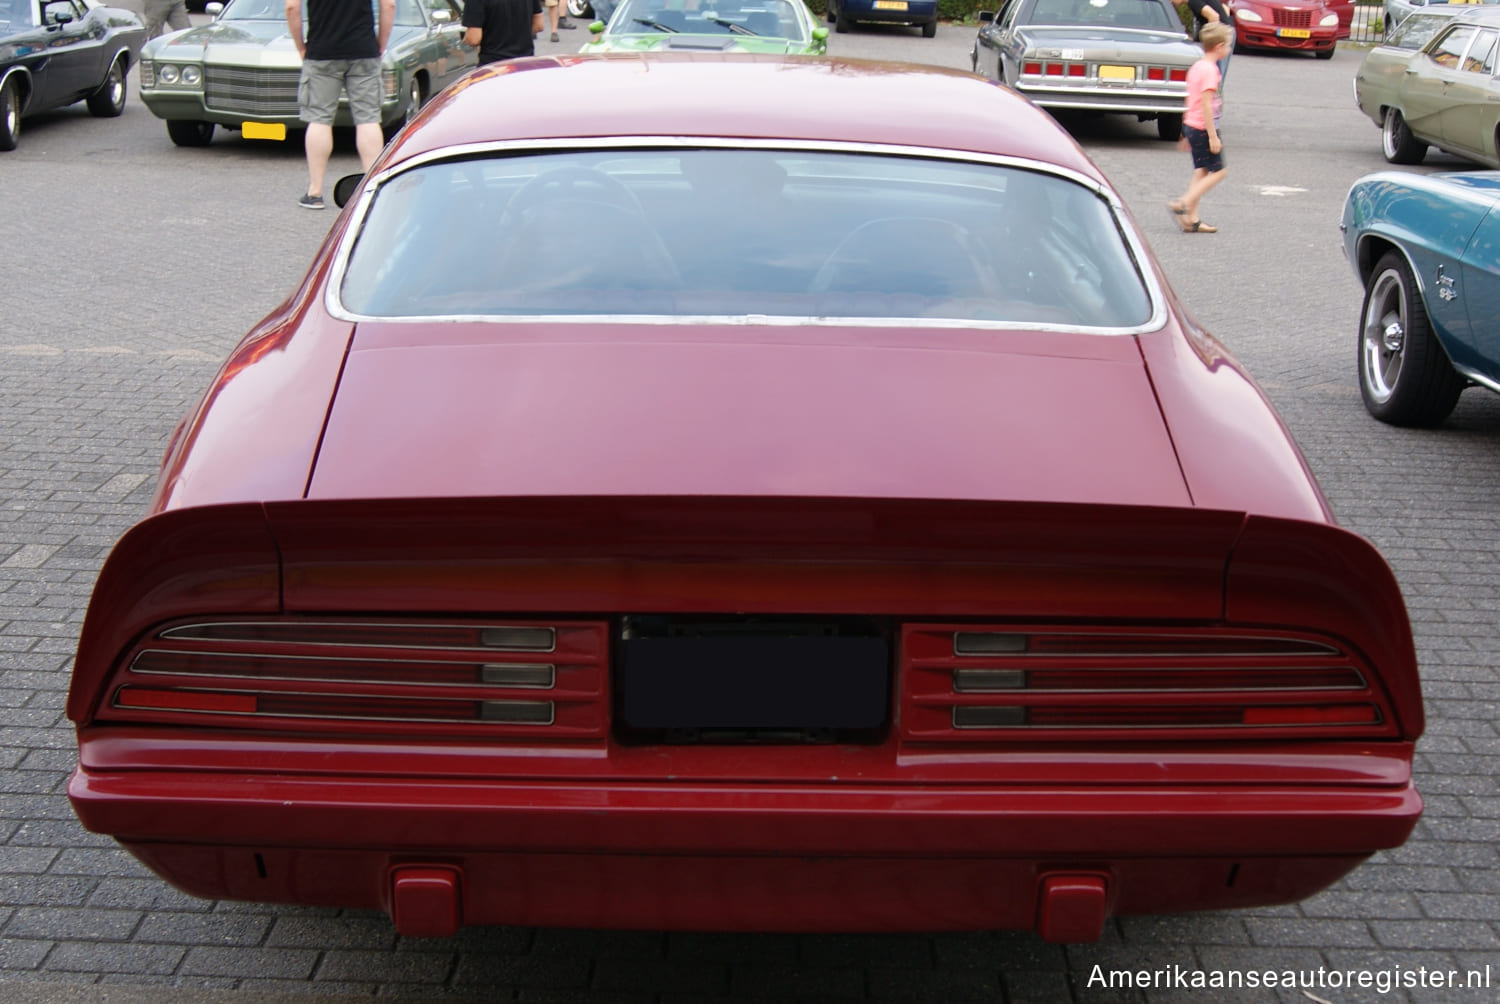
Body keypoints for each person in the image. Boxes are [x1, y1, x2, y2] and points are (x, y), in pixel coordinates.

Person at [285, 0, 394, 210]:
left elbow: (292, 7)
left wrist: (300, 46)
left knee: (319, 118)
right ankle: (373, 189)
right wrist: (380, 43)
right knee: (368, 118)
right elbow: (389, 5)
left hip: (321, 50)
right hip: (363, 48)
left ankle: (315, 192)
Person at [1169, 21, 1230, 235]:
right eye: (1228, 46)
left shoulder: (1197, 66)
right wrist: (1213, 136)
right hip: (1204, 127)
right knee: (1219, 171)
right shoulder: (1210, 71)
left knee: (1202, 170)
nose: (1229, 50)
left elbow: (1190, 98)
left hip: (1192, 125)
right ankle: (1183, 203)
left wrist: (1185, 130)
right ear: (1219, 46)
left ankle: (1191, 219)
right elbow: (1205, 102)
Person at [463, 0, 544, 65]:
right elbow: (539, 25)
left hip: (494, 65)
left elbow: (474, 39)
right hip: (525, 62)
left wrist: (466, 38)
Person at [1186, 0, 1231, 96]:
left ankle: (1212, 100)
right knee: (1217, 72)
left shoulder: (1193, 2)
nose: (1171, 3)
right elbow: (1225, 9)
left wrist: (1210, 38)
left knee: (1214, 72)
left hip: (1220, 37)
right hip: (1227, 31)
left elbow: (1214, 16)